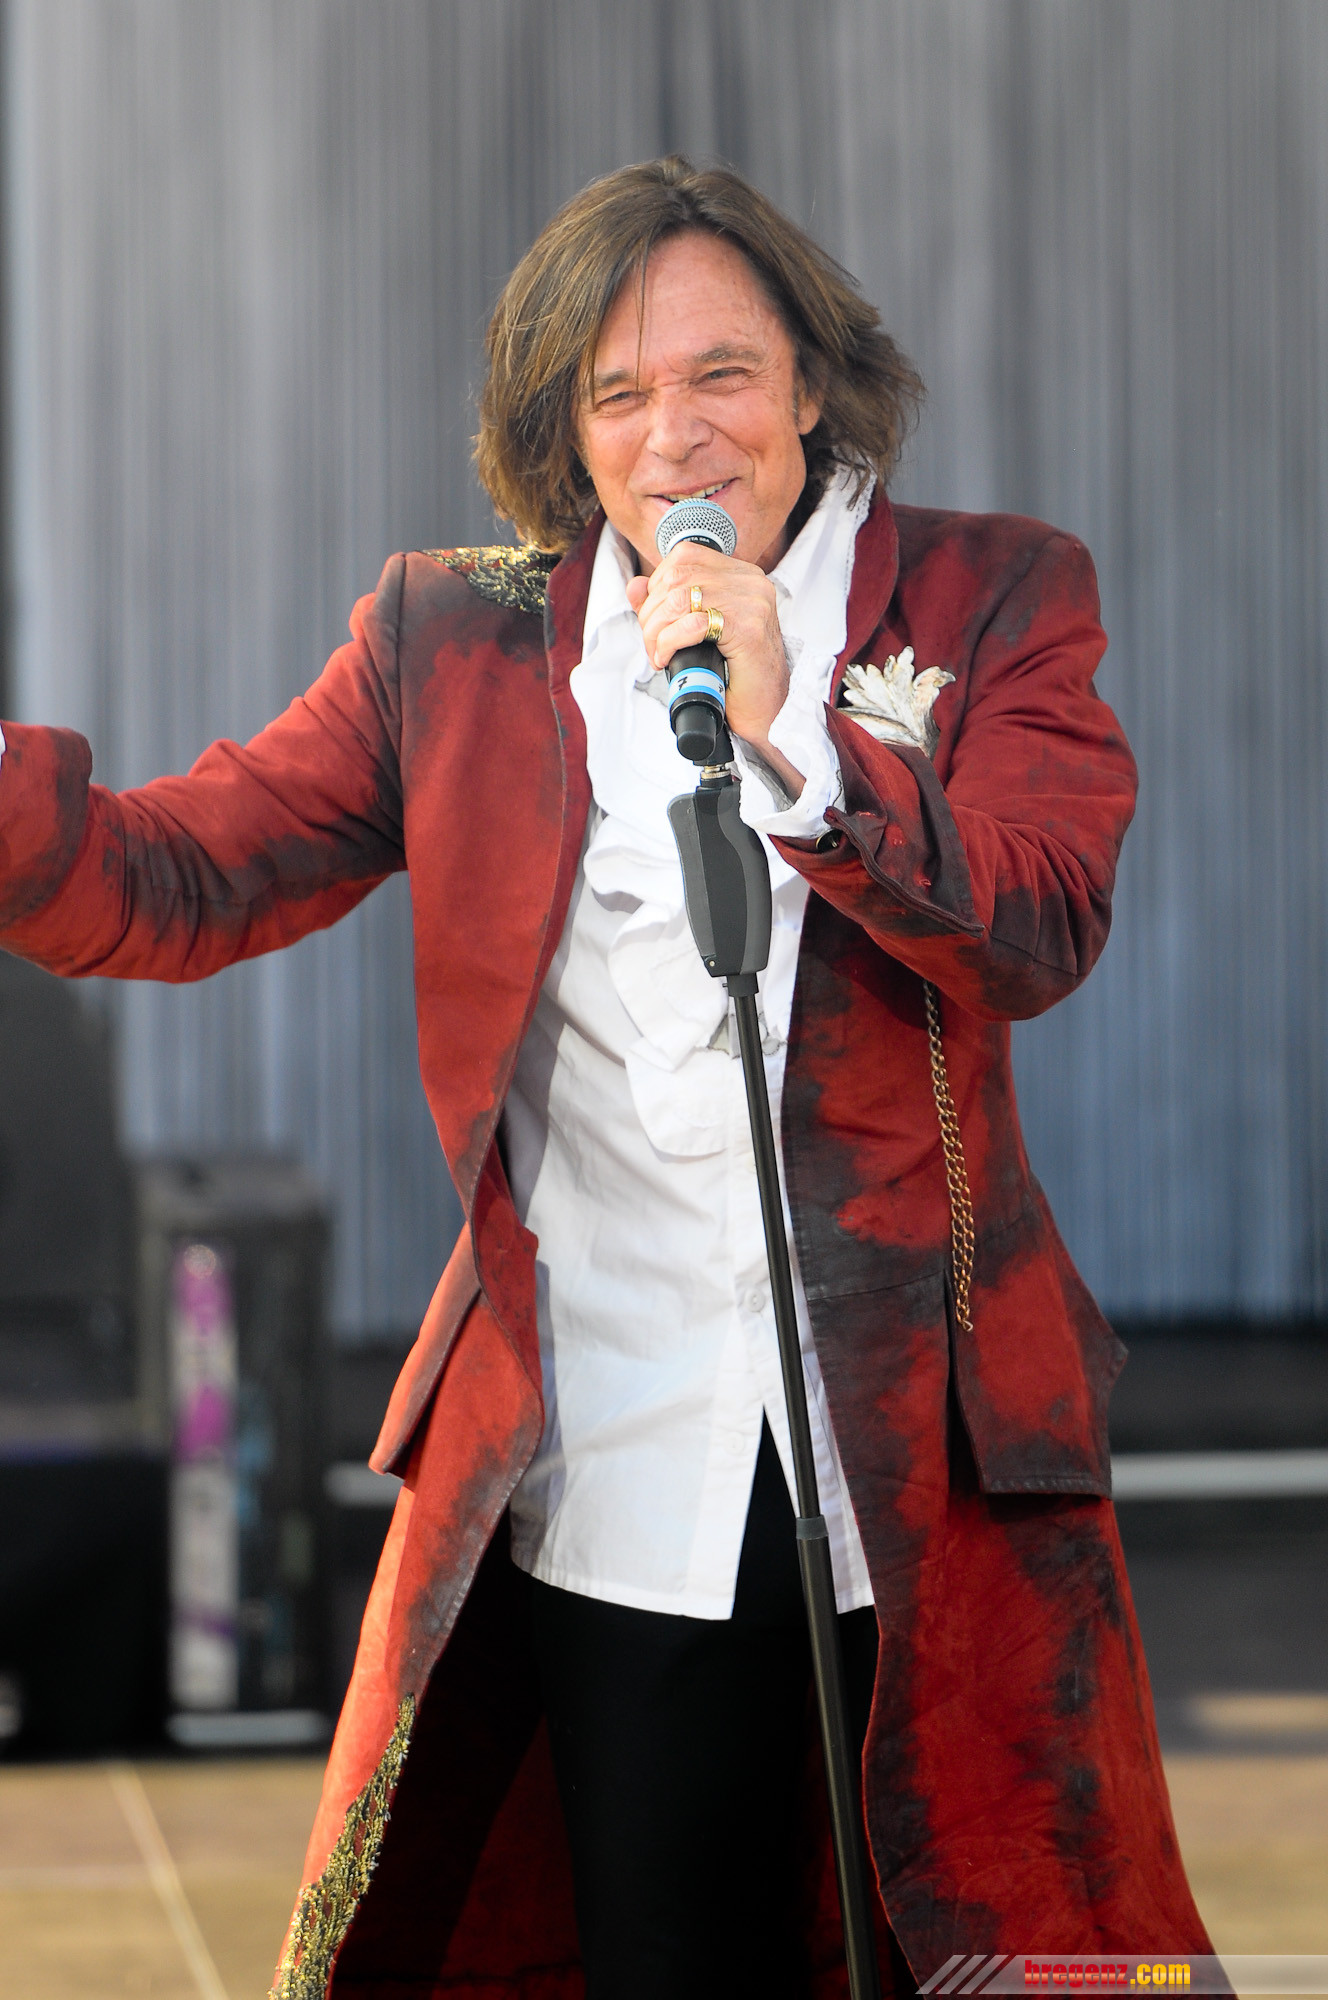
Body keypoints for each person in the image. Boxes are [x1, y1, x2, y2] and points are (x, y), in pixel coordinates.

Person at [0, 158, 1210, 1997]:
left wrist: (801, 739)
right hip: (611, 1467)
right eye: (618, 393)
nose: (675, 436)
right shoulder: (457, 638)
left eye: (722, 374)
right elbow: (180, 873)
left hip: (925, 1481)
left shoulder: (990, 594)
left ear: (814, 381)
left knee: (960, 1958)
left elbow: (1041, 923)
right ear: (565, 431)